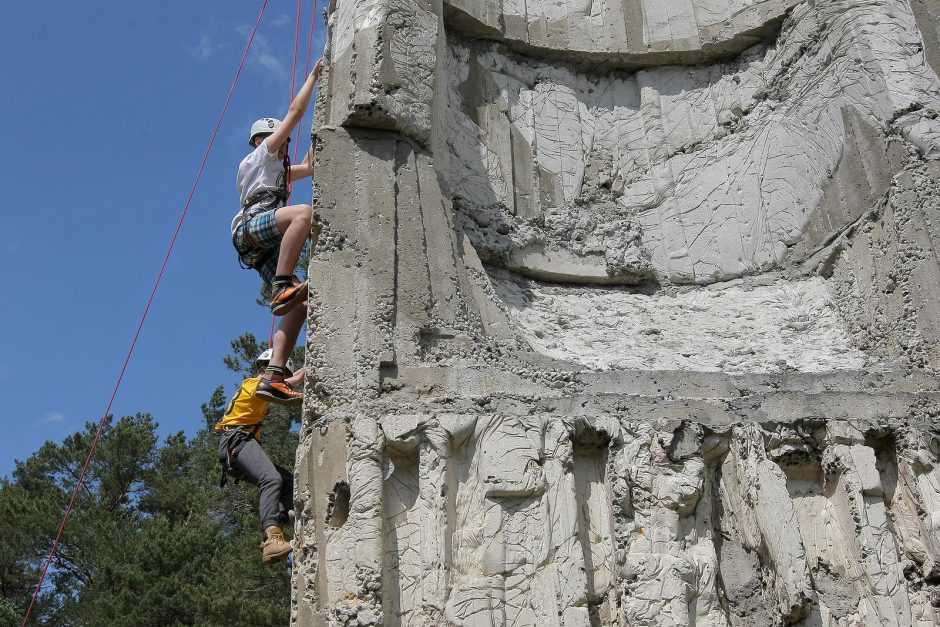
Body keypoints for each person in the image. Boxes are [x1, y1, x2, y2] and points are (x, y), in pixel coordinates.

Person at [231, 59, 323, 404]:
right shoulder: (259, 158)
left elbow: (312, 166)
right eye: (277, 138)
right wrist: (313, 78)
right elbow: (295, 113)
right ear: (260, 139)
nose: (283, 144)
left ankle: (275, 375)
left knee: (300, 304)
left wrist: (324, 115)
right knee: (303, 214)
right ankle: (282, 284)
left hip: (262, 245)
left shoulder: (280, 170)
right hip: (250, 228)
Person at [216, 348, 303, 564]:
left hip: (238, 443)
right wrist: (303, 374)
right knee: (271, 479)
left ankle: (279, 527)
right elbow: (278, 385)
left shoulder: (256, 386)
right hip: (236, 440)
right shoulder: (255, 384)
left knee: (287, 482)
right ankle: (272, 535)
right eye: (279, 375)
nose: (281, 381)